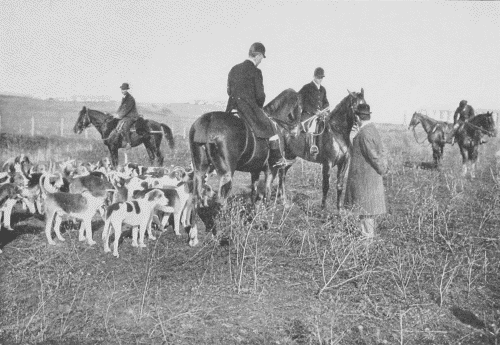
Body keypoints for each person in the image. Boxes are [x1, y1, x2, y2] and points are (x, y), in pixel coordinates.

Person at [225, 42, 287, 166]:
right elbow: (260, 96)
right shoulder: (256, 71)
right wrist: (259, 105)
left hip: (232, 107)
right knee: (271, 126)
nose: (261, 61)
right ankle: (277, 158)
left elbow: (229, 90)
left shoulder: (234, 68)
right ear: (258, 56)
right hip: (248, 109)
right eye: (262, 58)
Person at [345, 103, 387, 243]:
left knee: (366, 211)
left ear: (357, 117)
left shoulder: (364, 134)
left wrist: (382, 169)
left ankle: (367, 242)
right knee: (365, 212)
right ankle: (367, 239)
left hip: (365, 179)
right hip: (368, 178)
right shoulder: (371, 129)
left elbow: (373, 156)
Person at [298, 67, 330, 157]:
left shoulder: (323, 89)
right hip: (308, 115)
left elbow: (325, 102)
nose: (320, 79)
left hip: (320, 115)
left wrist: (326, 110)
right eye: (318, 77)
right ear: (314, 76)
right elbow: (301, 102)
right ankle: (311, 147)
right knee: (312, 126)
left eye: (321, 77)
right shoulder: (306, 87)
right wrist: (314, 111)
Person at [115, 83, 140, 150]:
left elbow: (127, 109)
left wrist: (120, 116)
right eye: (122, 89)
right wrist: (116, 114)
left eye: (124, 89)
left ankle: (129, 143)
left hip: (132, 116)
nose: (122, 91)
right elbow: (121, 107)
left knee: (125, 126)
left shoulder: (130, 99)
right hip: (126, 116)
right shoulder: (124, 98)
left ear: (127, 90)